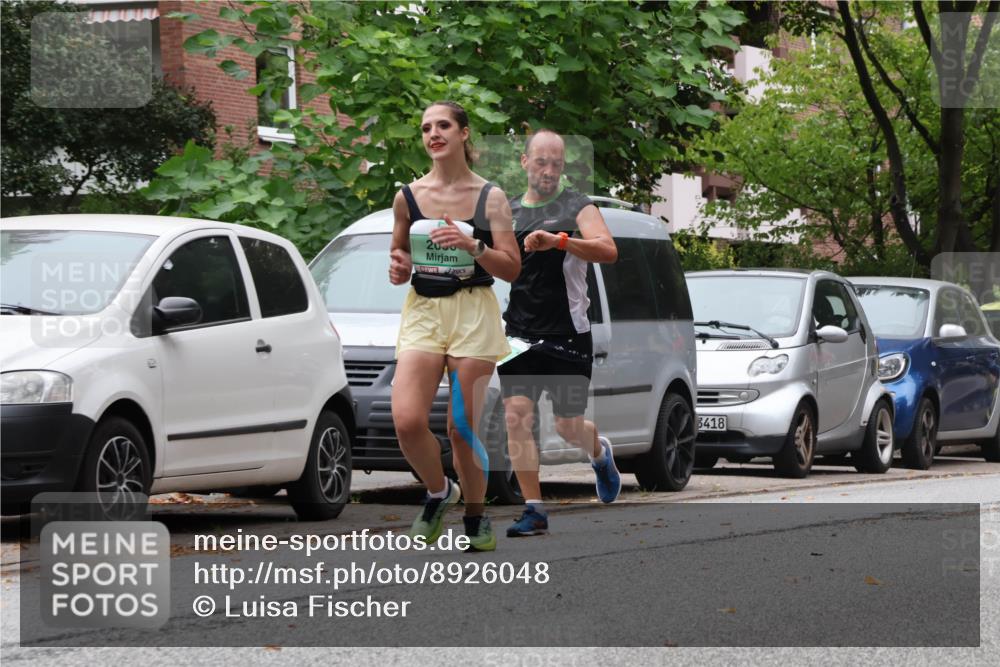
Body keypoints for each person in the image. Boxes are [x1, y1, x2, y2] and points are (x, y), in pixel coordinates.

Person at [389, 101, 521, 552]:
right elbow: (400, 258)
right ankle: (439, 491)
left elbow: (512, 268)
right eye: (426, 128)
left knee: (461, 428)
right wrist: (398, 265)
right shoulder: (407, 196)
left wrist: (474, 244)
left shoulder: (492, 198)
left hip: (474, 312)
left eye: (443, 125)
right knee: (407, 421)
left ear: (464, 133)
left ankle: (477, 517)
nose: (433, 134)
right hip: (424, 310)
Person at [498, 129, 620, 537]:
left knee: (568, 427)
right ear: (525, 162)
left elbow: (608, 249)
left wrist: (561, 241)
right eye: (541, 162)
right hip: (518, 333)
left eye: (556, 164)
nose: (548, 171)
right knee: (516, 415)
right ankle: (534, 508)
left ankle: (599, 455)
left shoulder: (576, 206)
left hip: (568, 334)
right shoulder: (509, 211)